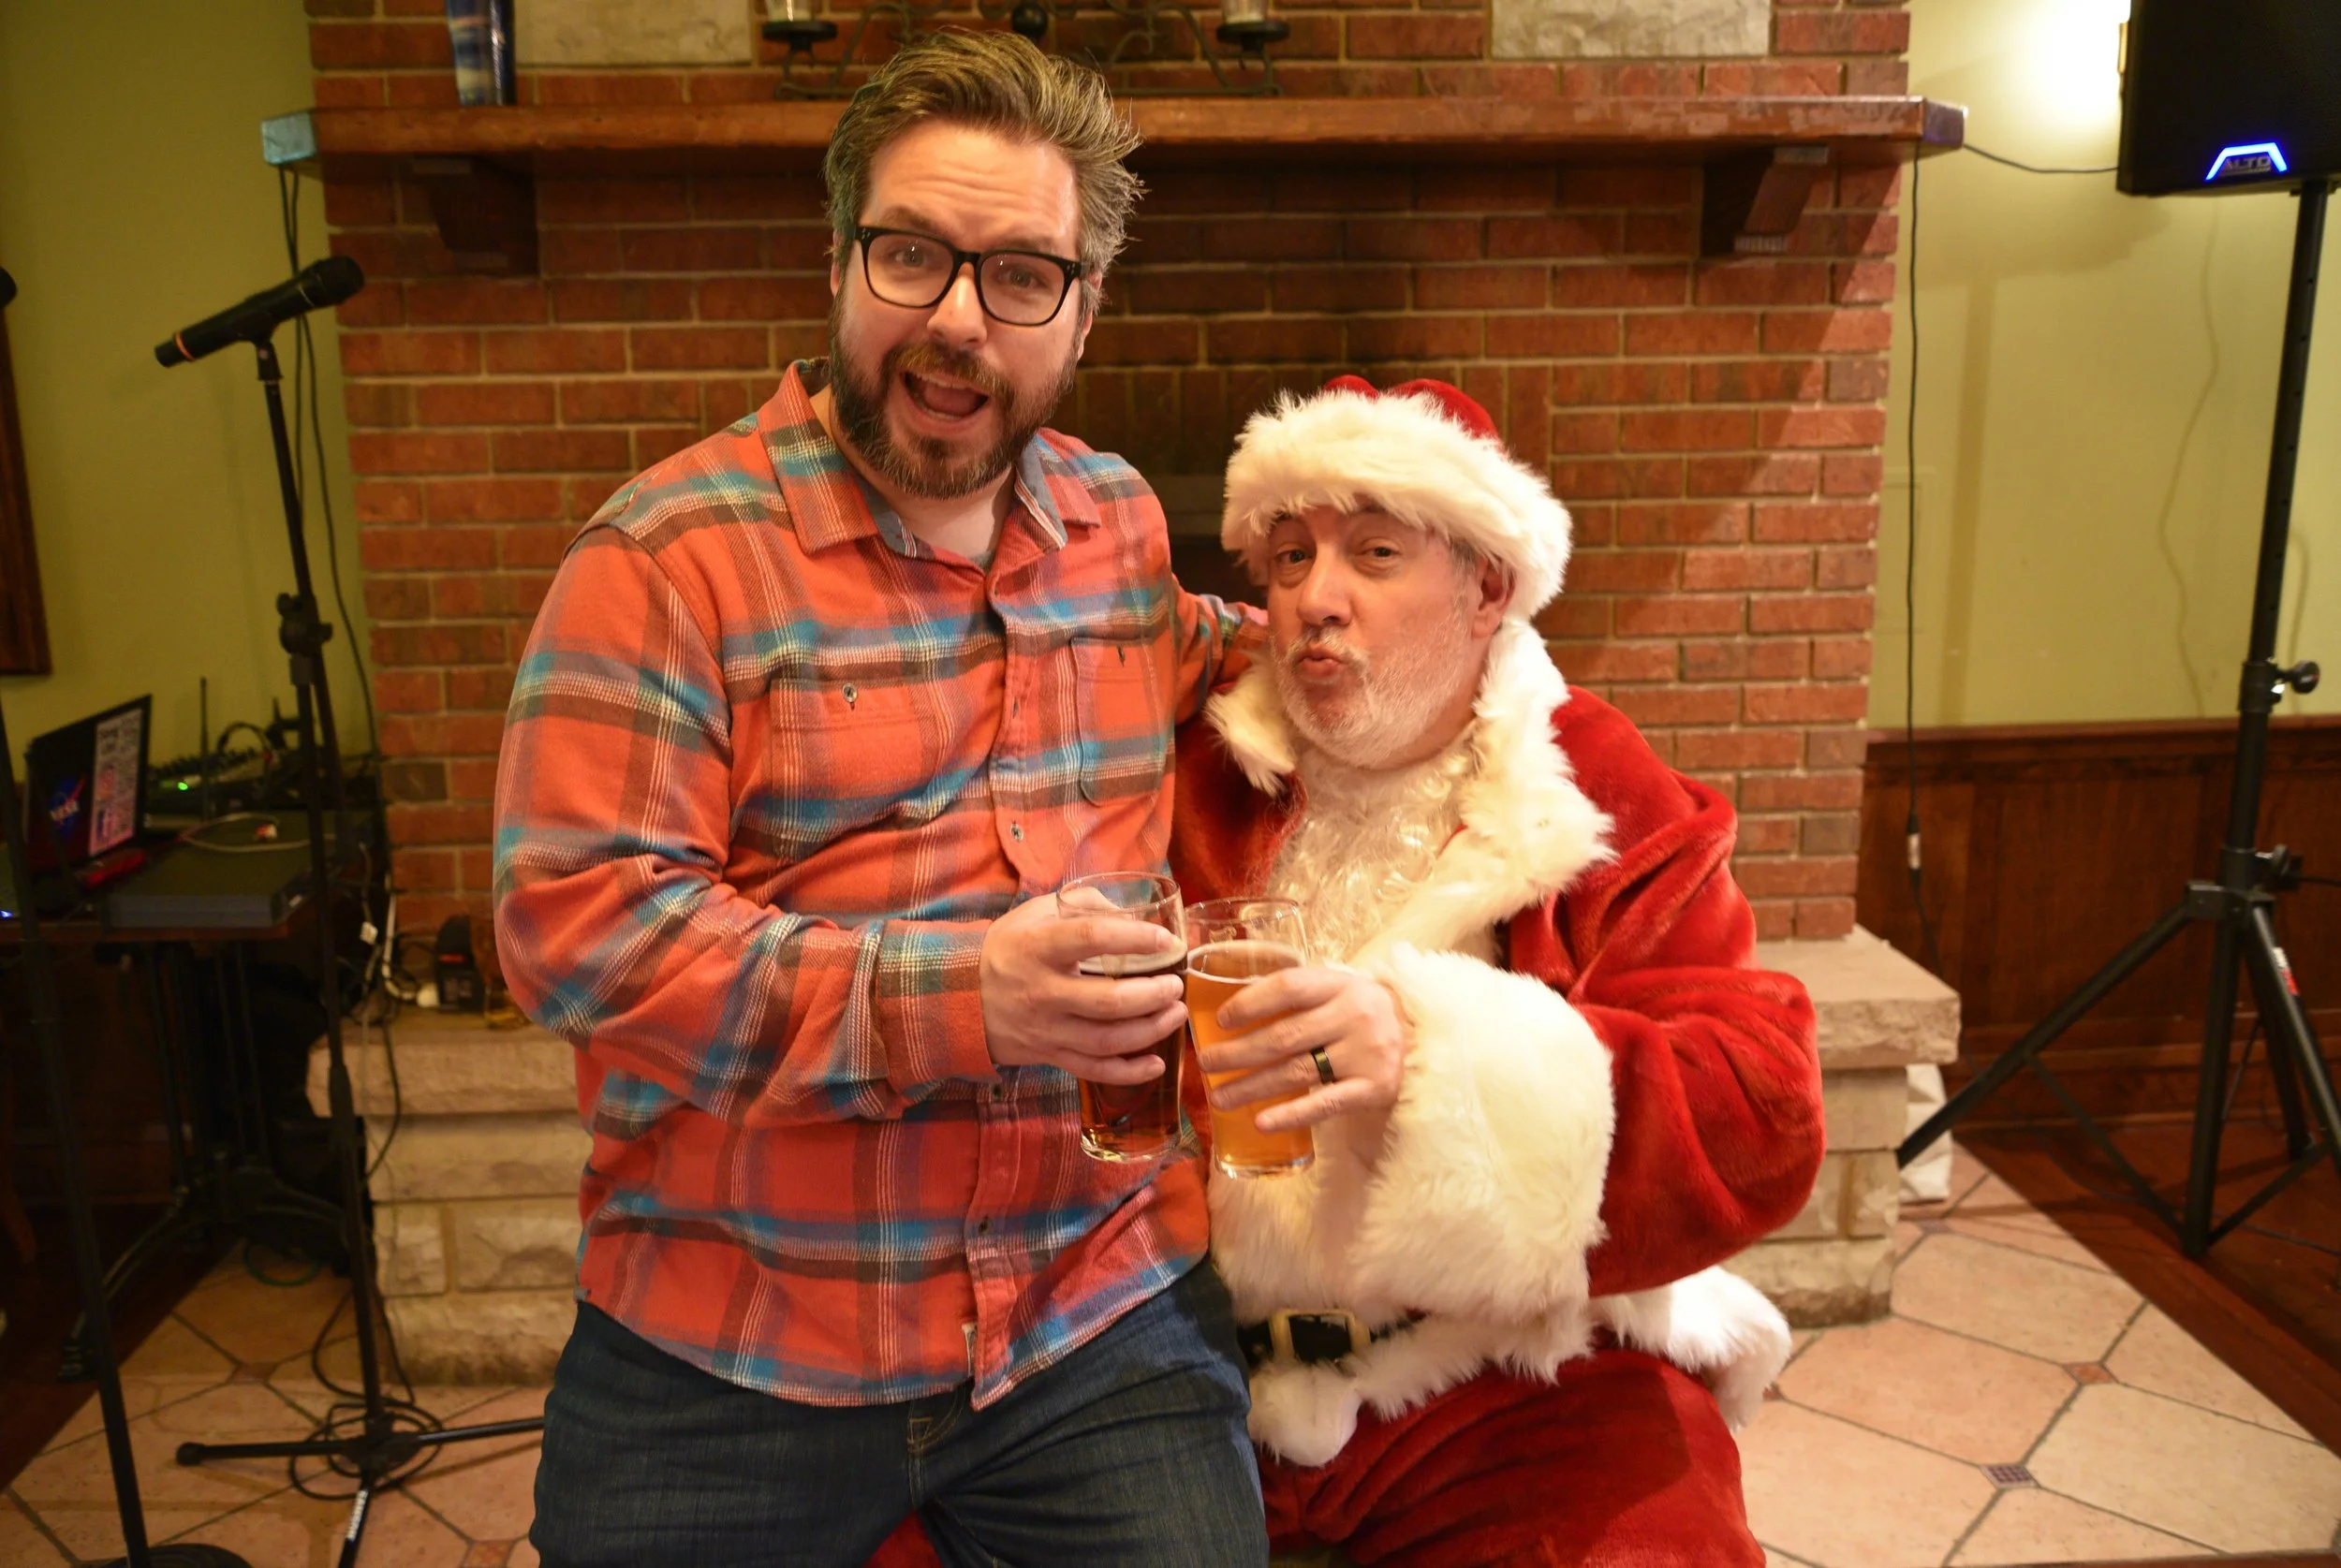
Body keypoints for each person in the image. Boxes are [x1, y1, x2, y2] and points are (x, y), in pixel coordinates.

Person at [492, 32, 1265, 1568]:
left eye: (1022, 276)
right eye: (914, 256)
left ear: (1084, 310)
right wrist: (964, 998)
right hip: (733, 1339)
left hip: (1088, 1314)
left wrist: (1446, 633)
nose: (960, 321)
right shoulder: (666, 563)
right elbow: (579, 934)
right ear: (843, 262)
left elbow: (1242, 663)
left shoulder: (1112, 524)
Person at [1167, 375, 1827, 1565]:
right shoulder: (1186, 760)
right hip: (1179, 1359)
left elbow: (1760, 1108)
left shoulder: (1594, 789)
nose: (1315, 598)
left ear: (1487, 588)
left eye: (1374, 552)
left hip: (1492, 1370)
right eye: (1285, 557)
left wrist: (1434, 1058)